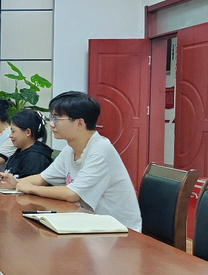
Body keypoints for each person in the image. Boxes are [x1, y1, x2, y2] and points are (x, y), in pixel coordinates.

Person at [14, 91, 142, 231]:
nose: (51, 124)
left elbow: (72, 194)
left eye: (57, 118)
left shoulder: (100, 151)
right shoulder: (69, 149)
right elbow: (42, 178)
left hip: (119, 231)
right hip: (89, 223)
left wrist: (31, 188)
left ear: (80, 123)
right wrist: (16, 182)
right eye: (52, 118)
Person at [0, 109, 53, 188]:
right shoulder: (19, 151)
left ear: (28, 132)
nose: (10, 136)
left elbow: (30, 189)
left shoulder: (36, 157)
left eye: (13, 131)